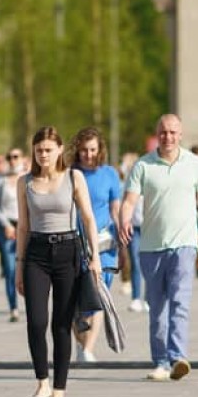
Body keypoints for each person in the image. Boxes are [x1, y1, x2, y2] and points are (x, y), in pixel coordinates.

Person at [119, 114, 198, 382]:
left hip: (185, 245)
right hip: (151, 247)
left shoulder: (195, 164)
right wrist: (125, 219)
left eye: (173, 133)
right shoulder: (143, 165)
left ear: (181, 135)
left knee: (180, 301)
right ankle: (161, 361)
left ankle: (177, 357)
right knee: (157, 307)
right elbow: (129, 201)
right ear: (157, 134)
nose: (168, 137)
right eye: (163, 132)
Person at [16, 126, 100, 397]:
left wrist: (96, 258)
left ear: (60, 150)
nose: (43, 155)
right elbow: (23, 226)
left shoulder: (74, 177)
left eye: (48, 150)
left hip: (68, 250)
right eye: (39, 150)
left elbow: (88, 218)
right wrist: (18, 266)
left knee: (61, 324)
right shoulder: (24, 182)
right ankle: (42, 383)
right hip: (36, 253)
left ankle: (60, 391)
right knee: (36, 322)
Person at [69, 127, 121, 362]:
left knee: (99, 293)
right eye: (84, 150)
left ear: (100, 150)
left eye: (93, 149)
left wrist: (121, 230)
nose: (88, 154)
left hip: (103, 244)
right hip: (74, 242)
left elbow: (115, 207)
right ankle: (81, 344)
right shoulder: (69, 174)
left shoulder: (110, 174)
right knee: (72, 299)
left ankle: (88, 349)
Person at [0, 147, 25, 323]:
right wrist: (7, 225)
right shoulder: (1, 181)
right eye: (9, 157)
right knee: (11, 269)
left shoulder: (28, 177)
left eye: (16, 157)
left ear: (22, 158)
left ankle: (32, 304)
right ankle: (13, 307)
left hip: (26, 227)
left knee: (29, 268)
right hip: (8, 228)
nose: (12, 160)